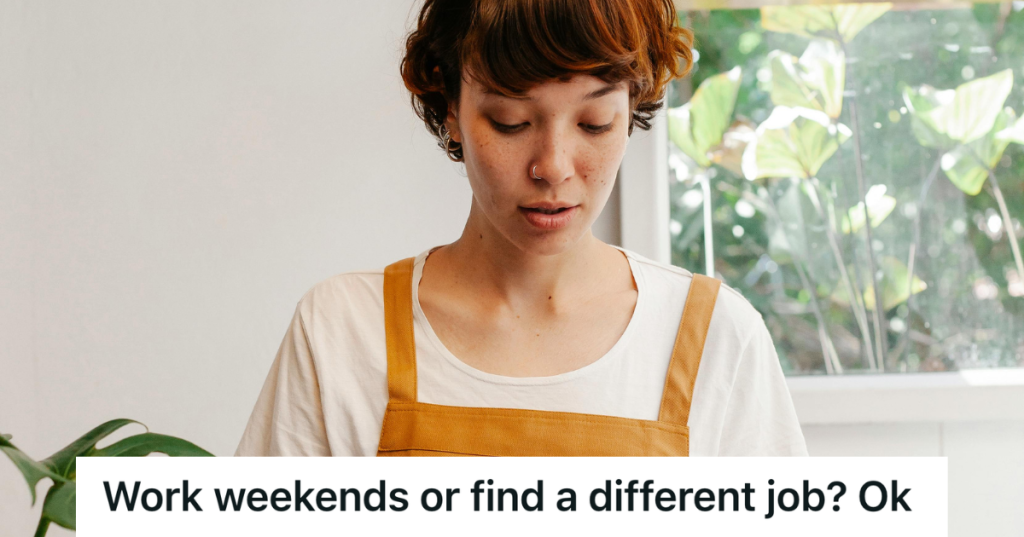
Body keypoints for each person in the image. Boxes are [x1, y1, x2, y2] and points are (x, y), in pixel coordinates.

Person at [236, 0, 807, 457]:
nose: (554, 166)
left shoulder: (716, 340)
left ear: (632, 110)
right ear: (450, 108)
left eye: (594, 122)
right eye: (510, 122)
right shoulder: (343, 331)